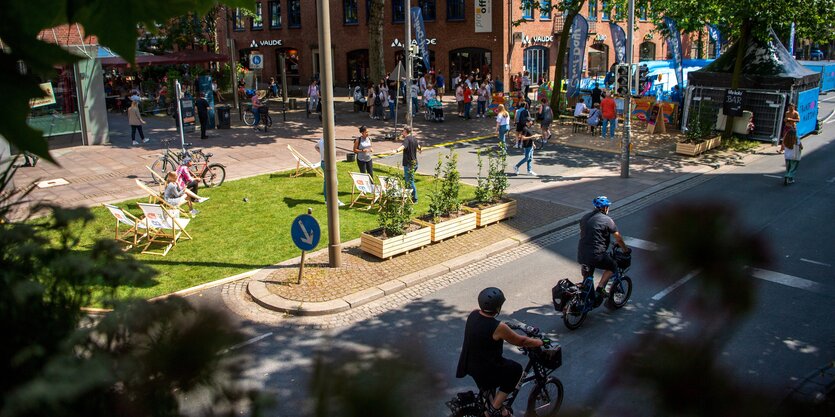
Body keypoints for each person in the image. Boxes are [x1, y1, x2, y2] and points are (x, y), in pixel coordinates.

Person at [456, 287, 543, 417]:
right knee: (516, 369)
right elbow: (521, 341)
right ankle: (495, 408)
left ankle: (488, 410)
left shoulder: (473, 315)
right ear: (498, 308)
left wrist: (513, 325)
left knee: (488, 389)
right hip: (485, 369)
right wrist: (538, 342)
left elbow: (495, 323)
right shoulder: (498, 328)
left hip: (469, 364)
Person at [577, 196, 629, 304]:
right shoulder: (607, 220)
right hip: (597, 255)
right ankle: (600, 288)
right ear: (605, 208)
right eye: (608, 207)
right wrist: (625, 250)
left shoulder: (585, 217)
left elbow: (589, 233)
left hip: (582, 253)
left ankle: (586, 301)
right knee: (612, 266)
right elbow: (618, 238)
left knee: (588, 277)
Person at [315, 137, 346, 207]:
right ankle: (335, 200)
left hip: (323, 162)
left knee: (326, 182)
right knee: (334, 182)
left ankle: (327, 200)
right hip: (328, 163)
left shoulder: (321, 140)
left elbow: (316, 147)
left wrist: (322, 154)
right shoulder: (328, 141)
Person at [394, 126, 421, 203]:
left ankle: (414, 198)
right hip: (415, 163)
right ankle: (406, 196)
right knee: (407, 181)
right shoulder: (414, 139)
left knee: (410, 181)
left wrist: (396, 150)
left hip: (409, 164)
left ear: (405, 131)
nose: (402, 132)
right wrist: (420, 150)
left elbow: (403, 146)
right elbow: (418, 146)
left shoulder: (407, 139)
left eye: (403, 131)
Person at [780, 104, 802, 185]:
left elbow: (798, 120)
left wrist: (791, 119)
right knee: (793, 167)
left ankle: (788, 175)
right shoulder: (796, 138)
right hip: (794, 155)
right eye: (789, 108)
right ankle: (789, 176)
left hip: (787, 155)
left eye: (791, 107)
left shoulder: (796, 113)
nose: (790, 109)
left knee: (788, 166)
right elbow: (800, 145)